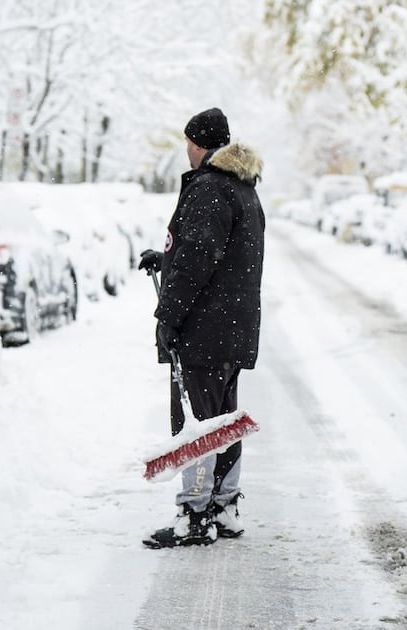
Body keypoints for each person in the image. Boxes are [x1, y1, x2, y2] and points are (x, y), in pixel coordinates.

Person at [138, 107, 265, 549]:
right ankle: (223, 508)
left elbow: (197, 260)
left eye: (188, 143)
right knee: (223, 421)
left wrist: (168, 317)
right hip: (231, 330)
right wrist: (166, 259)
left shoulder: (210, 189)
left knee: (196, 422)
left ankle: (194, 515)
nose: (186, 151)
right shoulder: (241, 188)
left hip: (205, 332)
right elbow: (213, 253)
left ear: (200, 143)